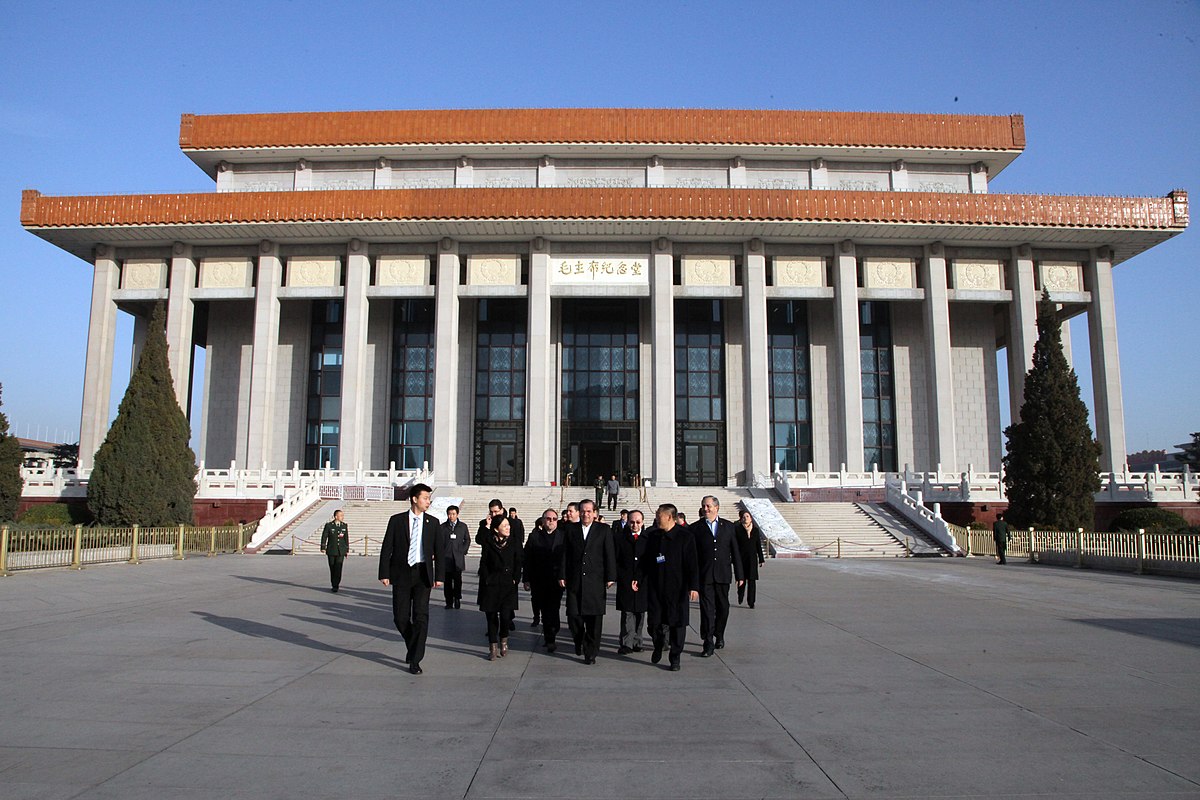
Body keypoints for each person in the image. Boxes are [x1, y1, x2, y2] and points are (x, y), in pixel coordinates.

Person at [378, 483, 443, 675]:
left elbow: (439, 551)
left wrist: (439, 576)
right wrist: (384, 573)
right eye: (425, 498)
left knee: (421, 617)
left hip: (423, 574)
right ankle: (412, 645)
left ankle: (415, 659)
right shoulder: (396, 521)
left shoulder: (433, 522)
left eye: (429, 499)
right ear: (415, 499)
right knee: (400, 617)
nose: (428, 502)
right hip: (402, 573)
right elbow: (387, 548)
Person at [642, 503, 699, 671]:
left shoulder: (685, 537)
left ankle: (675, 657)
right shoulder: (654, 536)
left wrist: (694, 586)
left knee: (677, 624)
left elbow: (692, 564)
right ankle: (658, 644)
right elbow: (647, 560)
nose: (657, 518)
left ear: (668, 517)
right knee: (655, 623)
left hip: (678, 588)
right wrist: (638, 578)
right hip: (656, 586)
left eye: (659, 516)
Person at [559, 498, 616, 665]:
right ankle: (579, 640)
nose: (585, 514)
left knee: (594, 621)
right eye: (583, 511)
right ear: (579, 512)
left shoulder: (604, 530)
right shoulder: (570, 529)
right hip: (575, 580)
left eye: (589, 511)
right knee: (574, 617)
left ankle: (591, 652)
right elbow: (565, 554)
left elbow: (609, 554)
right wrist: (562, 575)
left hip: (595, 581)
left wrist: (611, 576)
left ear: (595, 513)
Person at [690, 495, 744, 656]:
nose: (705, 509)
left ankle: (719, 633)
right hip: (704, 576)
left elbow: (735, 551)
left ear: (716, 507)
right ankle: (708, 642)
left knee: (723, 608)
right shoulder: (696, 528)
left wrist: (740, 575)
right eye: (703, 506)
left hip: (723, 574)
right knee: (707, 610)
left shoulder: (728, 527)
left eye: (708, 506)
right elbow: (693, 556)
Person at [478, 514, 522, 661]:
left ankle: (504, 640)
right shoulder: (488, 542)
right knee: (491, 618)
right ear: (496, 529)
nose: (508, 528)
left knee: (505, 616)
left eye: (508, 525)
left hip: (508, 584)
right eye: (504, 526)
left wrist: (516, 578)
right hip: (491, 584)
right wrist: (486, 578)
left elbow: (518, 561)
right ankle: (492, 647)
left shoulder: (514, 542)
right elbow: (483, 562)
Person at [523, 507, 565, 652]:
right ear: (543, 521)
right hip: (539, 579)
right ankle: (550, 638)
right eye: (548, 519)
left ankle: (554, 629)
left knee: (554, 607)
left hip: (556, 580)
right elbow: (527, 558)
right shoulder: (534, 536)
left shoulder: (562, 536)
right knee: (545, 609)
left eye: (554, 519)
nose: (551, 522)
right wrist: (526, 579)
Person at [614, 509, 649, 654]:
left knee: (640, 612)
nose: (635, 525)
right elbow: (616, 560)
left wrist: (640, 579)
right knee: (627, 612)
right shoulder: (620, 538)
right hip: (626, 580)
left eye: (638, 522)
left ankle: (637, 641)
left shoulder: (648, 539)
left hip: (643, 581)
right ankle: (626, 643)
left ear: (643, 522)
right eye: (632, 522)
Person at [439, 505, 470, 608]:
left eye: (453, 514)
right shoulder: (443, 527)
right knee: (447, 581)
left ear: (457, 514)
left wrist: (463, 550)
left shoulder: (463, 526)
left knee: (457, 580)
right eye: (449, 514)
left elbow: (467, 540)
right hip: (446, 558)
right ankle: (448, 601)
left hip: (458, 558)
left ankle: (457, 598)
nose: (451, 516)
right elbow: (438, 542)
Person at [735, 509, 766, 609]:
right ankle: (740, 595)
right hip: (741, 559)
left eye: (747, 517)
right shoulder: (738, 530)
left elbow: (758, 546)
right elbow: (735, 545)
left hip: (752, 560)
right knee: (741, 580)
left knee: (752, 581)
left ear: (751, 518)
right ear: (741, 519)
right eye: (744, 517)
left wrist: (761, 559)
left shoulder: (755, 530)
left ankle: (751, 601)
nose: (746, 519)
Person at [319, 509, 349, 592]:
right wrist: (323, 547)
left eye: (343, 515)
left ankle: (336, 585)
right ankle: (333, 583)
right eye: (341, 515)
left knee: (339, 567)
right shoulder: (329, 525)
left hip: (341, 551)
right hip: (332, 550)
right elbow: (324, 536)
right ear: (336, 516)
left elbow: (346, 538)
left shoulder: (344, 525)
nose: (343, 517)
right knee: (332, 567)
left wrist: (347, 549)